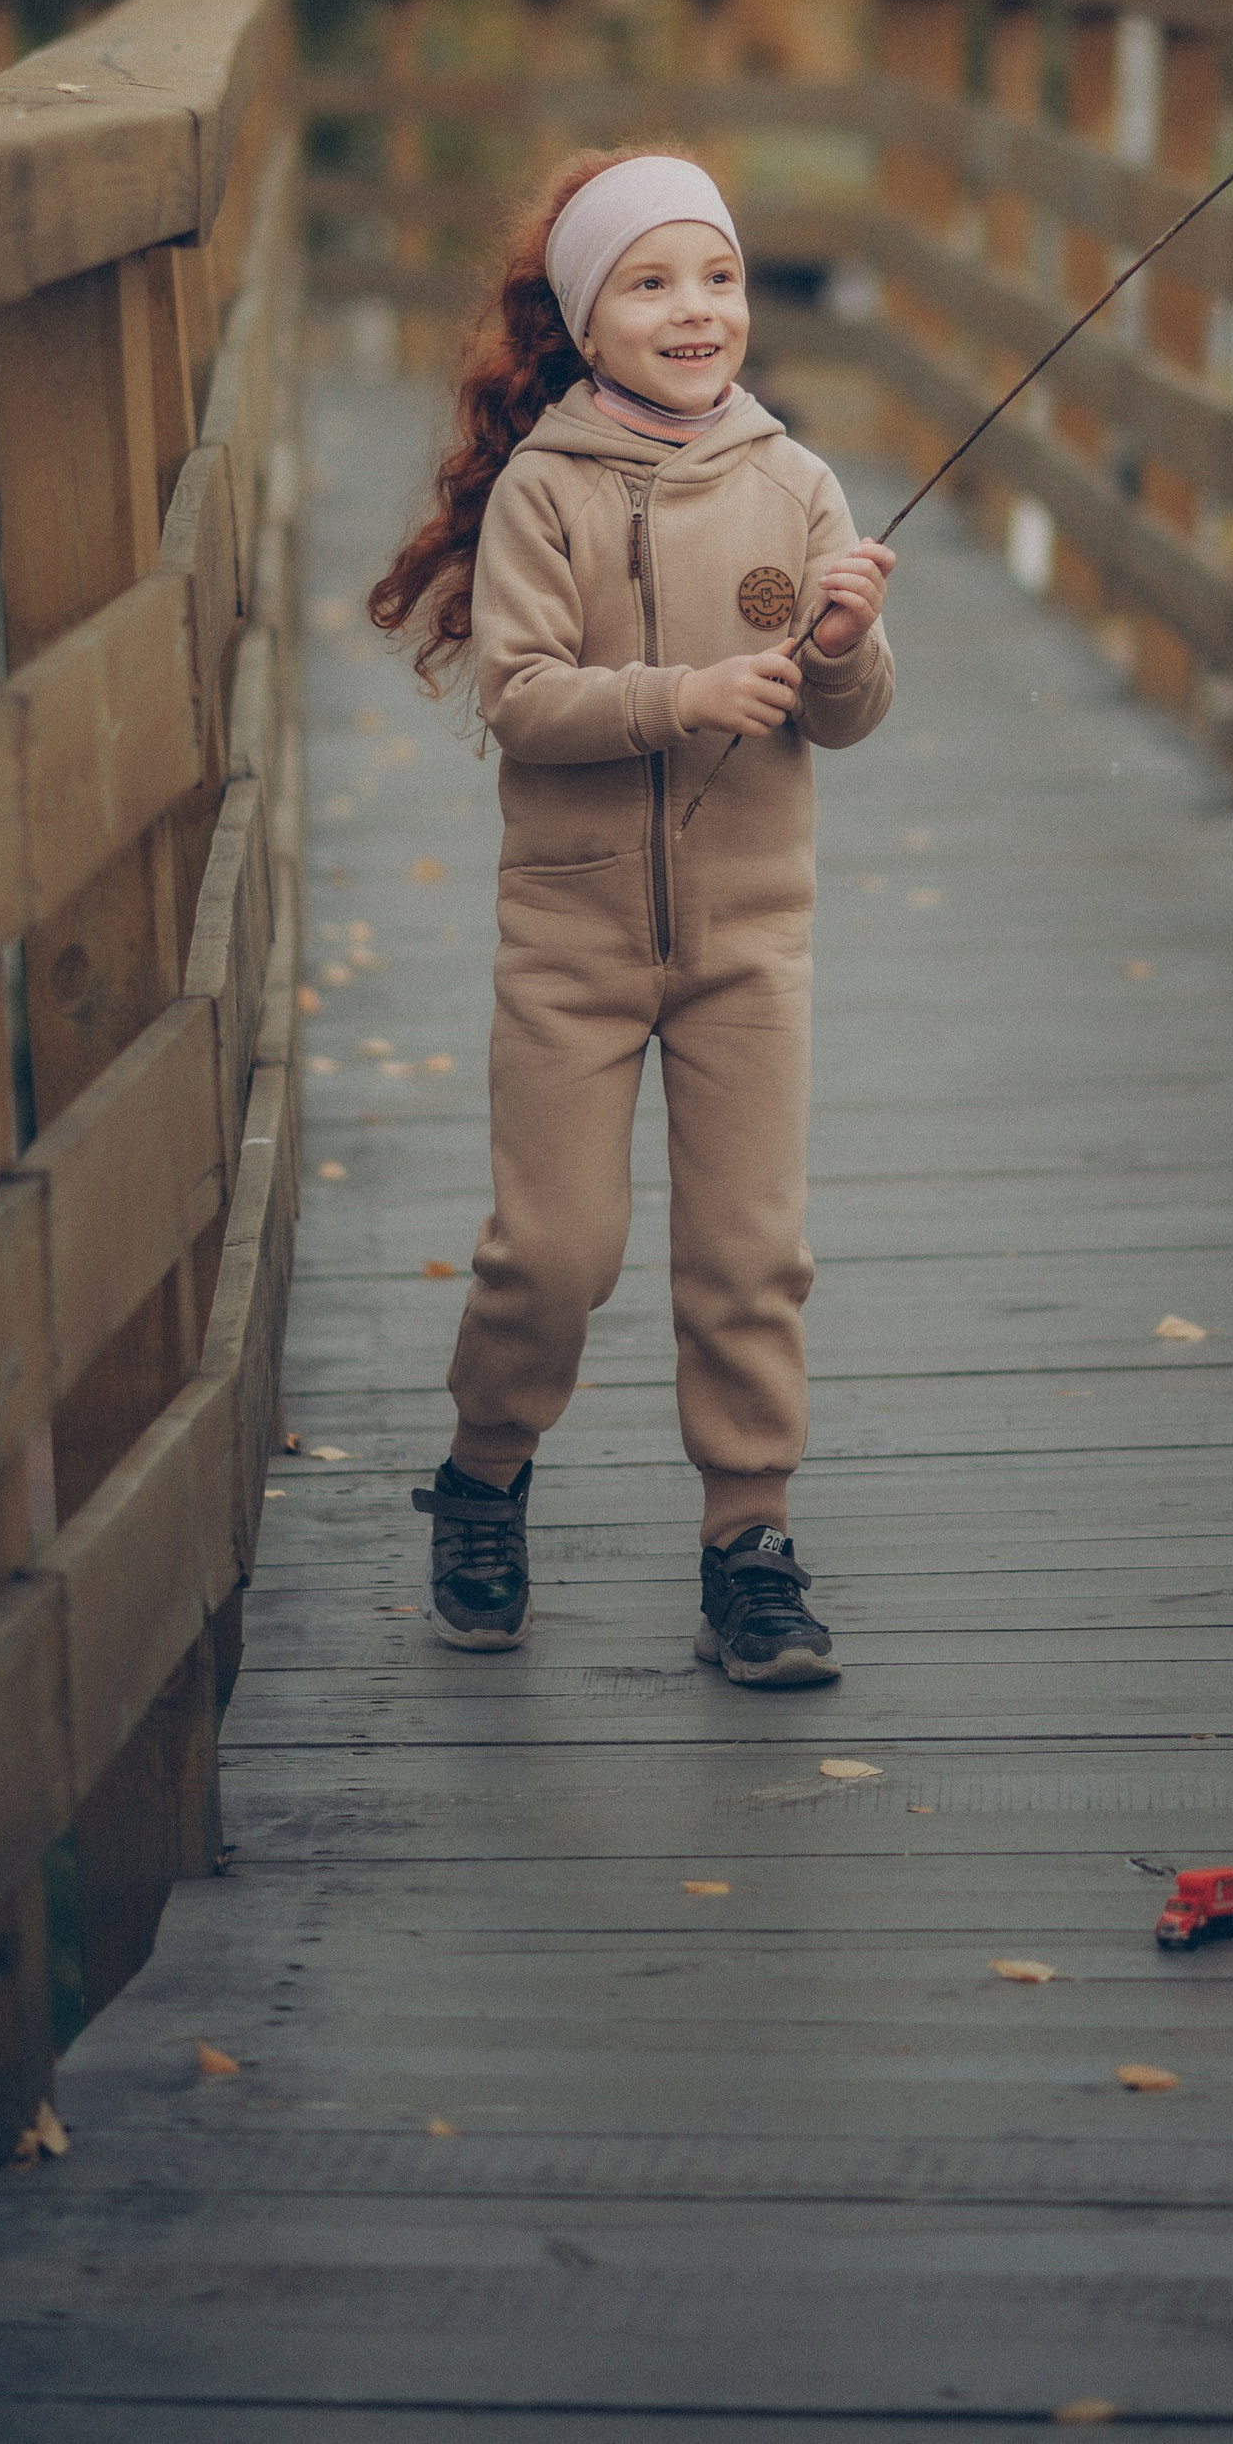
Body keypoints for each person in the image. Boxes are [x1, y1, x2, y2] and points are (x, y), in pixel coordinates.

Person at [368, 148, 895, 1688]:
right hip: (575, 945)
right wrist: (685, 697)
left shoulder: (797, 482)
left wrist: (846, 646)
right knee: (554, 1251)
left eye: (718, 277)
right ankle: (481, 1479)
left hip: (748, 944)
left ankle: (750, 1542)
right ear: (586, 319)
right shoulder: (545, 490)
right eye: (652, 283)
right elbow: (522, 699)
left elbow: (844, 717)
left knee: (747, 1254)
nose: (695, 310)